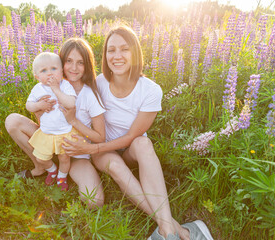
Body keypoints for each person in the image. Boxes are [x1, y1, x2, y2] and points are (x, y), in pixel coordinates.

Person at [62, 25, 214, 240]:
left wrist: (91, 146)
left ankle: (173, 229)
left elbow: (132, 136)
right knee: (114, 164)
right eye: (111, 50)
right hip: (104, 151)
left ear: (135, 52)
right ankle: (173, 231)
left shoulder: (151, 90)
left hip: (127, 146)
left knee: (143, 144)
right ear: (105, 55)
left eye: (124, 49)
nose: (117, 56)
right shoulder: (98, 83)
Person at [5, 38, 105, 206]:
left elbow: (100, 137)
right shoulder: (46, 86)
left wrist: (73, 121)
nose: (74, 68)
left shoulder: (89, 95)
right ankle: (42, 167)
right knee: (12, 121)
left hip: (75, 153)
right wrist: (39, 110)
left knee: (94, 201)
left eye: (80, 62)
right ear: (61, 63)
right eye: (69, 61)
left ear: (87, 65)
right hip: (49, 140)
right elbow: (43, 123)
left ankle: (62, 171)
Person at [26, 51, 78, 191]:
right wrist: (39, 106)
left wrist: (56, 89)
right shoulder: (38, 89)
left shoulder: (65, 86)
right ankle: (52, 170)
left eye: (54, 69)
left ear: (61, 71)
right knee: (40, 158)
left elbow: (71, 103)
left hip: (64, 132)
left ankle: (62, 177)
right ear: (37, 76)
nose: (50, 73)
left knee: (64, 159)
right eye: (44, 70)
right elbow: (29, 105)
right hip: (46, 133)